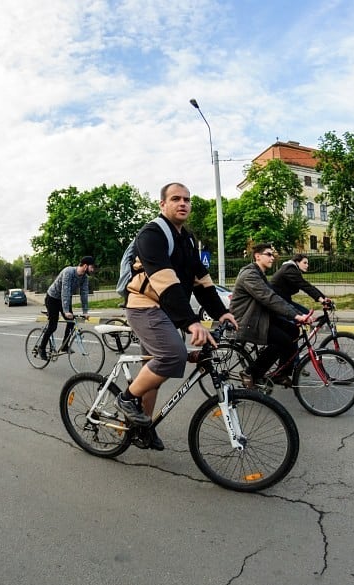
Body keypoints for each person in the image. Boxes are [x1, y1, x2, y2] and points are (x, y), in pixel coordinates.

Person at [118, 182, 236, 451]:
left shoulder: (187, 239)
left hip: (165, 309)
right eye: (175, 199)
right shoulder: (152, 234)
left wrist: (222, 312)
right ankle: (126, 399)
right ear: (163, 204)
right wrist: (191, 321)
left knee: (156, 367)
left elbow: (202, 281)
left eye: (187, 199)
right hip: (144, 306)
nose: (183, 203)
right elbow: (165, 282)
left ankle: (142, 425)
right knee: (171, 355)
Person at [230, 244, 312, 388]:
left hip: (260, 317)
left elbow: (278, 298)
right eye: (269, 254)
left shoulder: (260, 275)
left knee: (293, 331)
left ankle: (281, 373)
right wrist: (296, 316)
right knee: (282, 341)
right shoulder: (250, 275)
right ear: (257, 256)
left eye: (273, 255)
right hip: (248, 320)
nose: (272, 257)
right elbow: (269, 298)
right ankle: (251, 373)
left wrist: (300, 314)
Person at [39, 257, 96, 359]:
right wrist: (65, 311)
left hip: (64, 300)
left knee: (71, 322)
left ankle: (64, 346)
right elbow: (65, 291)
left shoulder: (84, 278)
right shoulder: (68, 271)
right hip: (52, 298)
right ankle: (41, 348)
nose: (93, 270)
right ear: (85, 266)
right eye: (92, 267)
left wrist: (85, 311)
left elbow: (84, 294)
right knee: (53, 326)